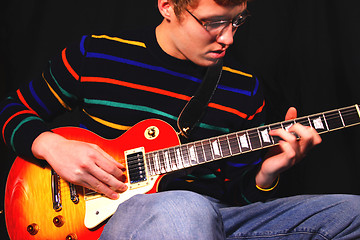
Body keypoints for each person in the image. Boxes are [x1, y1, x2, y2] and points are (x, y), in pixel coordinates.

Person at [1, 0, 359, 239]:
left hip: (218, 218)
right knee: (184, 208)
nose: (228, 37)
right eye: (214, 22)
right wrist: (51, 145)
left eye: (237, 20)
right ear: (168, 6)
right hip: (119, 218)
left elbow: (237, 194)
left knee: (352, 211)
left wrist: (269, 173)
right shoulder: (96, 55)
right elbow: (11, 109)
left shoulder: (243, 89)